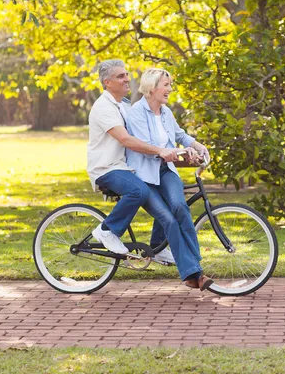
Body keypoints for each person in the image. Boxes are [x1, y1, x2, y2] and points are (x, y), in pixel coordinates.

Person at [126, 68, 213, 291]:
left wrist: (195, 145)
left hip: (165, 171)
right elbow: (146, 146)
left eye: (170, 85)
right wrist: (173, 151)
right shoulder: (136, 112)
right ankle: (195, 274)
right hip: (145, 176)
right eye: (166, 85)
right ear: (152, 87)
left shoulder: (165, 112)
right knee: (170, 221)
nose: (170, 89)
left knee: (180, 208)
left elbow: (179, 134)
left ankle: (190, 265)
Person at [87, 60, 180, 259]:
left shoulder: (125, 106)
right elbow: (126, 139)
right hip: (107, 168)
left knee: (163, 191)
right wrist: (160, 150)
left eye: (127, 74)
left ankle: (158, 247)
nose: (127, 79)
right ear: (107, 82)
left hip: (125, 167)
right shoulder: (104, 107)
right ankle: (107, 230)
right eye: (120, 76)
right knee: (139, 190)